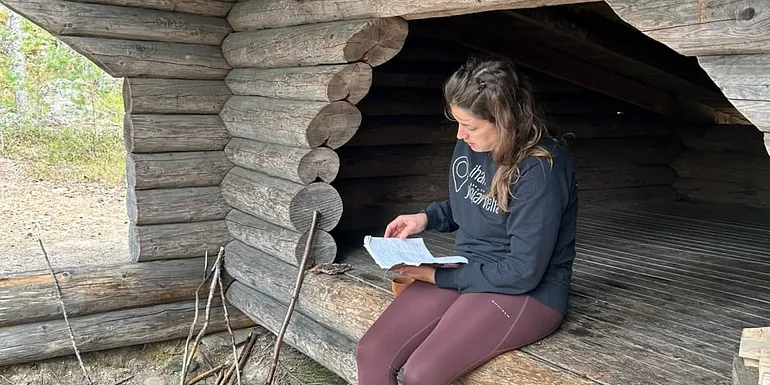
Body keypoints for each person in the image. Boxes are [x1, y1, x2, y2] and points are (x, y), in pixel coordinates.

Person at [354, 55, 579, 385]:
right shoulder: (472, 145)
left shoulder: (541, 168)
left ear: (504, 121)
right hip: (468, 267)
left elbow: (522, 273)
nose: (460, 135)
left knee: (421, 374)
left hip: (528, 291)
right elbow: (475, 203)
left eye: (470, 125)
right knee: (371, 351)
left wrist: (436, 278)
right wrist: (426, 218)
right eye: (457, 122)